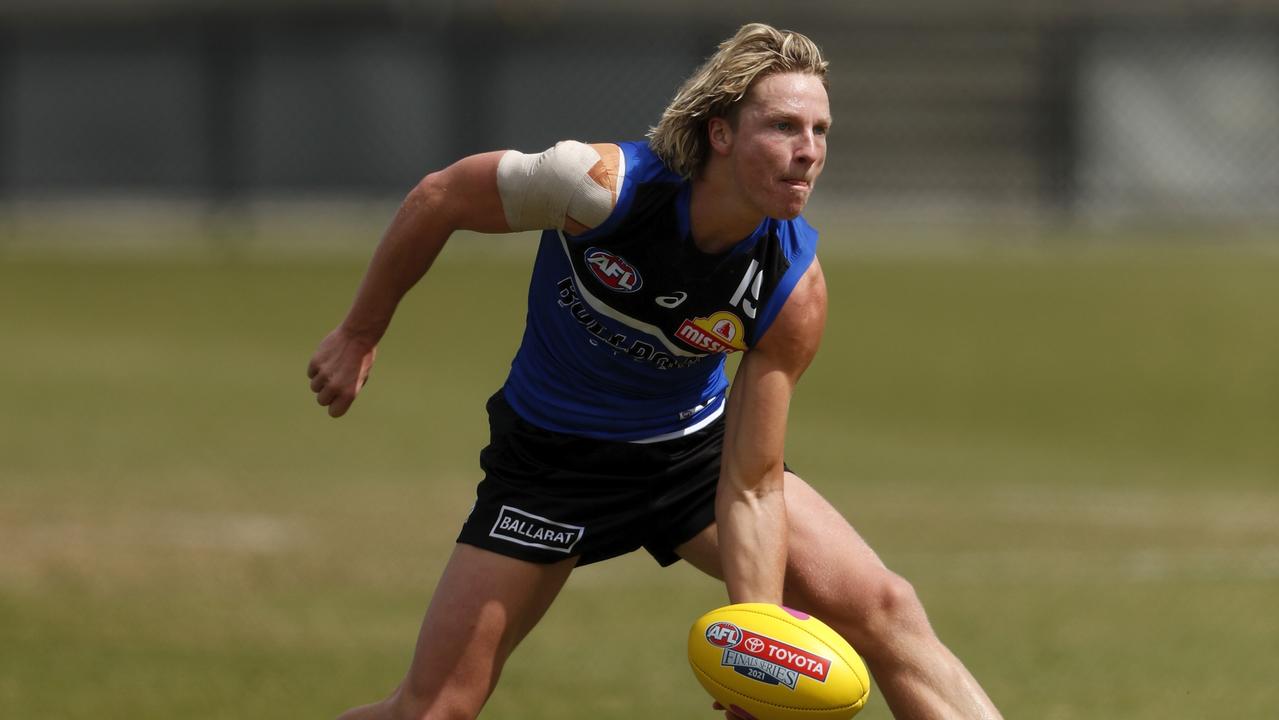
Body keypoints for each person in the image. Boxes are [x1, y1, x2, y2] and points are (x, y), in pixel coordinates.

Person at [307, 22, 1003, 720]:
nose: (808, 153)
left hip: (688, 459)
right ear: (719, 132)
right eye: (784, 127)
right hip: (552, 465)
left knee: (886, 608)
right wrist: (360, 332)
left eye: (821, 131)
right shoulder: (594, 187)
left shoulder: (791, 285)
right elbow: (440, 197)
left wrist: (752, 646)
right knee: (433, 711)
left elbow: (755, 483)